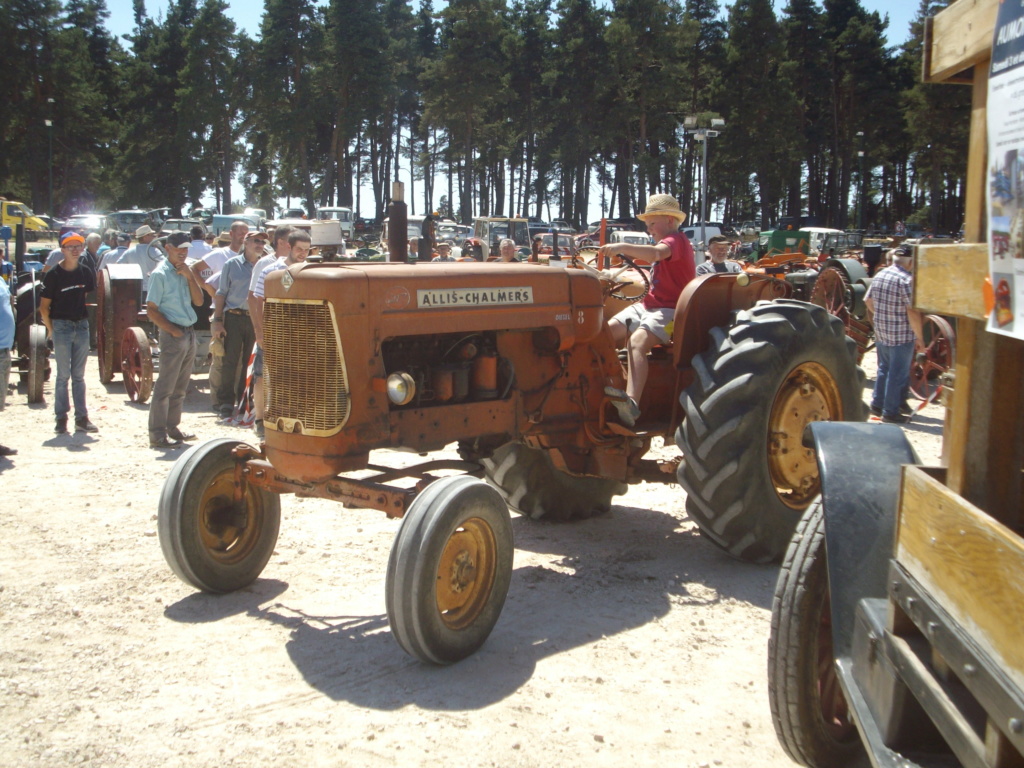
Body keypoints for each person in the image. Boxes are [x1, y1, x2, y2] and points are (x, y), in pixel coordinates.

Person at [597, 194, 695, 427]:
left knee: (637, 342)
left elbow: (656, 254)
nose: (649, 229)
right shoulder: (664, 243)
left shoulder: (676, 241)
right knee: (604, 333)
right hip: (648, 305)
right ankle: (608, 385)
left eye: (652, 223)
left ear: (670, 221)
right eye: (647, 224)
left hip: (672, 311)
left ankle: (632, 403)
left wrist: (622, 247)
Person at [145, 232, 204, 448]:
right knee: (165, 386)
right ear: (168, 248)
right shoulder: (160, 274)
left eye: (186, 249)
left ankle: (172, 427)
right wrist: (173, 331)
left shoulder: (184, 270)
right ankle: (157, 433)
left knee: (181, 386)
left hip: (188, 331)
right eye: (179, 249)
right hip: (174, 333)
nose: (183, 252)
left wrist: (190, 277)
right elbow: (151, 310)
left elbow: (198, 301)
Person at [40, 232, 98, 434]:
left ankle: (81, 419)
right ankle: (61, 419)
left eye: (78, 246)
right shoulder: (53, 275)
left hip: (81, 326)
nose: (75, 249)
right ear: (62, 250)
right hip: (61, 327)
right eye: (70, 246)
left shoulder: (85, 272)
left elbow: (83, 295)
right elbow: (44, 307)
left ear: (83, 248)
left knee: (79, 376)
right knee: (63, 376)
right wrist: (51, 329)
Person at [864, 245, 925, 423]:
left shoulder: (880, 274)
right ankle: (890, 412)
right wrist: (920, 337)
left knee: (884, 368)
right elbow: (912, 312)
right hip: (901, 334)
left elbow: (867, 300)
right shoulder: (906, 280)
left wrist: (881, 315)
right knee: (898, 373)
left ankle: (877, 403)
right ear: (911, 262)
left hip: (882, 331)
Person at [247, 225, 295, 436]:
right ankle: (259, 418)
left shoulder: (302, 266)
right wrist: (259, 332)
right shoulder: (266, 265)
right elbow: (253, 297)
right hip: (269, 328)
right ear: (284, 243)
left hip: (290, 331)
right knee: (261, 376)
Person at [211, 230, 263, 417]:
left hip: (255, 318)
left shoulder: (265, 265)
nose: (260, 245)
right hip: (233, 317)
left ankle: (245, 400)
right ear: (246, 242)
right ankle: (225, 402)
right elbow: (221, 293)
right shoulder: (231, 264)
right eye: (256, 241)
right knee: (229, 360)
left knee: (250, 362)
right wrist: (217, 321)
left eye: (263, 242)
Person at [191, 220, 247, 294]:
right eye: (241, 233)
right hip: (222, 304)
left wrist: (266, 305)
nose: (244, 236)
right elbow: (194, 268)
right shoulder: (219, 254)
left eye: (246, 234)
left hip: (244, 304)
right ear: (231, 233)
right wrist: (211, 292)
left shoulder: (252, 257)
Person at [115, 225, 161, 292]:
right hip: (152, 289)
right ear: (145, 236)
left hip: (135, 289)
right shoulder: (155, 251)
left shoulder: (129, 252)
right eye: (151, 235)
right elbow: (164, 264)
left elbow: (117, 265)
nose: (153, 237)